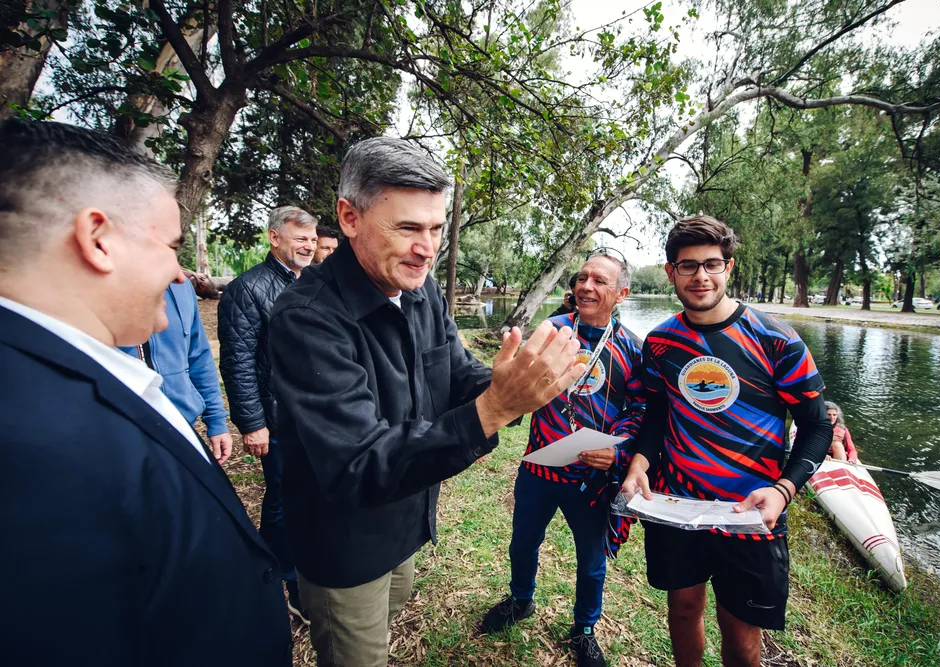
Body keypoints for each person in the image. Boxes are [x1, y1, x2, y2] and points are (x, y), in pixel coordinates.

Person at [268, 137, 586, 667]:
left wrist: (514, 381)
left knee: (388, 623)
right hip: (345, 542)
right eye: (409, 228)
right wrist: (495, 409)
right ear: (349, 217)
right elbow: (357, 463)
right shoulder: (308, 318)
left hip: (408, 518)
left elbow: (455, 374)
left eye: (436, 229)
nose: (427, 247)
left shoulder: (420, 290)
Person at [0, 120, 291, 666]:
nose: (183, 276)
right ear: (98, 239)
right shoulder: (28, 444)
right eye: (171, 247)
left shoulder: (61, 376)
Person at [622, 215, 832, 667]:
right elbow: (658, 413)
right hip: (675, 505)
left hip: (751, 511)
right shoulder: (660, 343)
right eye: (688, 265)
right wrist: (640, 461)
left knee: (740, 633)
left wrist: (783, 490)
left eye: (712, 264)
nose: (701, 276)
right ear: (670, 272)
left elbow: (816, 427)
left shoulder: (778, 340)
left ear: (729, 268)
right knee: (682, 610)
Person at [480, 253, 645, 667]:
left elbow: (640, 411)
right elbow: (516, 385)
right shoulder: (552, 332)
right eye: (582, 277)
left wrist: (618, 451)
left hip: (591, 477)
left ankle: (585, 628)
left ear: (621, 293)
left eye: (600, 281)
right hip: (539, 467)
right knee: (523, 545)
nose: (587, 286)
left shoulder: (631, 349)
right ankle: (521, 600)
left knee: (591, 561)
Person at [218, 205, 318, 621]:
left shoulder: (315, 283)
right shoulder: (247, 289)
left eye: (312, 239)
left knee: (309, 497)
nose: (309, 246)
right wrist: (252, 423)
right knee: (280, 500)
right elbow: (238, 362)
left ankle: (302, 565)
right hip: (276, 421)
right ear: (274, 238)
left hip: (315, 416)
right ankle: (286, 580)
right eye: (300, 238)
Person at [121, 279, 233, 463]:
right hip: (124, 430)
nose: (180, 273)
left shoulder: (181, 286)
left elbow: (199, 356)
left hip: (182, 425)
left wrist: (216, 421)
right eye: (170, 248)